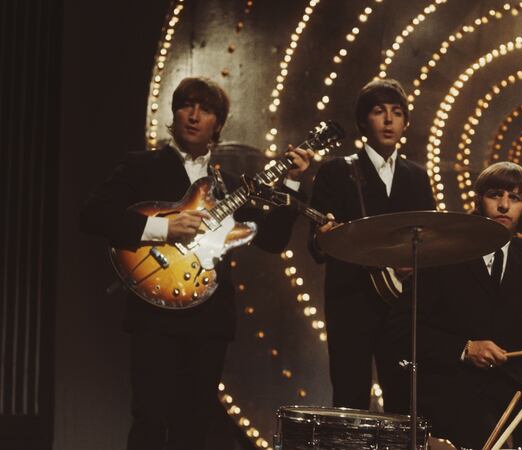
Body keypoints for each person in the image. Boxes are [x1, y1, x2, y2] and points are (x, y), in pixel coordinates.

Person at [80, 77, 312, 450]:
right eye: (187, 105)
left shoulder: (230, 181)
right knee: (150, 420)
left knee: (195, 426)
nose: (194, 115)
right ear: (174, 113)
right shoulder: (143, 165)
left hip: (209, 318)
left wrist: (294, 184)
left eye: (205, 109)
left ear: (217, 124)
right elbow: (92, 215)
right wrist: (161, 226)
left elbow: (272, 240)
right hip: (153, 311)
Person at [384, 162, 522, 449]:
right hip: (445, 393)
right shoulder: (443, 257)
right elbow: (400, 330)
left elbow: (518, 346)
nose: (503, 205)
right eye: (495, 195)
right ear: (478, 201)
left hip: (502, 397)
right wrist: (464, 348)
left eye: (515, 198)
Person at [308, 78, 436, 411]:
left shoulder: (417, 176)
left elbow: (432, 240)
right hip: (351, 304)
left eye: (397, 113)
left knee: (404, 405)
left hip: (403, 309)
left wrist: (417, 260)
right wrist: (325, 237)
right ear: (364, 120)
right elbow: (317, 246)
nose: (390, 120)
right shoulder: (336, 171)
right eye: (379, 112)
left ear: (406, 123)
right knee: (351, 401)